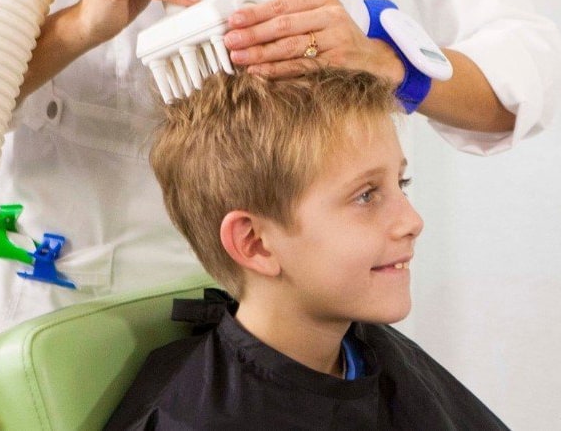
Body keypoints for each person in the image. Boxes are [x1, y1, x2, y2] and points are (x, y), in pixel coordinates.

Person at [0, 0, 561, 344]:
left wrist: (387, 63)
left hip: (299, 310)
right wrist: (82, 24)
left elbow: (524, 72)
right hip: (74, 301)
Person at [105, 68, 508, 430]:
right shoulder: (192, 417)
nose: (412, 221)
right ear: (255, 243)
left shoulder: (368, 352)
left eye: (400, 184)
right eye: (367, 195)